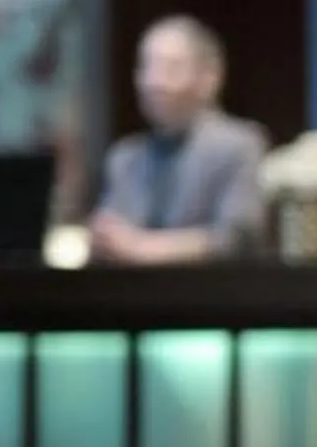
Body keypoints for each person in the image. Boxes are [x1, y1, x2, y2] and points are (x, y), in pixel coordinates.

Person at [87, 15, 266, 263]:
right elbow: (109, 240)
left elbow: (236, 238)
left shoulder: (239, 145)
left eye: (170, 68)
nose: (153, 82)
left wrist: (143, 248)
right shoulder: (125, 158)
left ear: (209, 77)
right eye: (146, 66)